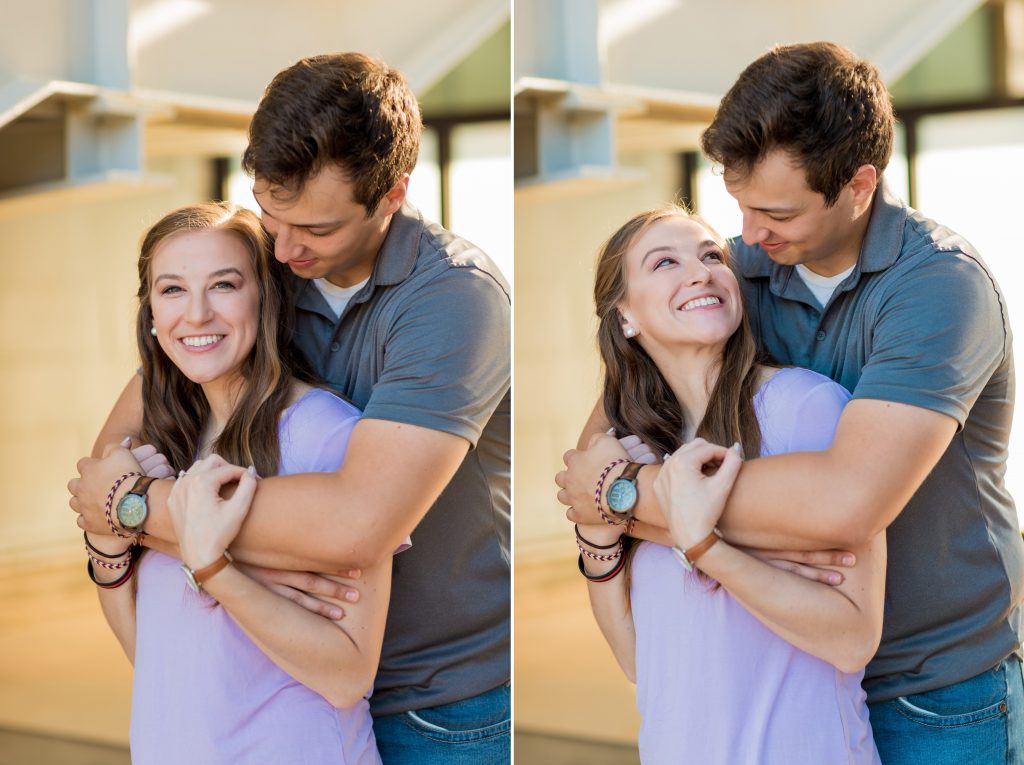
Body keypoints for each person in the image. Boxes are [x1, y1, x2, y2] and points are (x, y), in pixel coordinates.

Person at [557, 42, 1024, 764]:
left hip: (934, 686)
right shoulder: (744, 272)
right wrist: (623, 493)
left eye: (775, 211)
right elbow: (601, 448)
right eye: (738, 207)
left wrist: (629, 499)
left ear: (859, 185)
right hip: (793, 664)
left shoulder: (940, 289)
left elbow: (845, 503)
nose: (746, 236)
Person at [68, 53, 510, 764]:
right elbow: (124, 438)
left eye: (316, 228)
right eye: (270, 213)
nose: (284, 246)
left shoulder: (456, 299)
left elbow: (354, 523)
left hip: (442, 700)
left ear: (392, 194)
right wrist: (121, 508)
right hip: (278, 677)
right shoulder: (271, 263)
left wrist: (133, 512)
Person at [575, 205, 884, 764]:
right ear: (624, 316)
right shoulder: (630, 454)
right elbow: (638, 664)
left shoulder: (803, 409)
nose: (700, 272)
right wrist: (598, 533)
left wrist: (704, 547)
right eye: (665, 262)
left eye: (711, 256)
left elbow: (853, 637)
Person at [84, 202, 390, 763]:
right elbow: (156, 659)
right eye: (172, 290)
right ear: (150, 312)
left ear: (264, 299)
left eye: (223, 284)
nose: (196, 314)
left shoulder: (326, 435)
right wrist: (107, 545)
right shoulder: (162, 445)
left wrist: (214, 568)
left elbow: (347, 676)